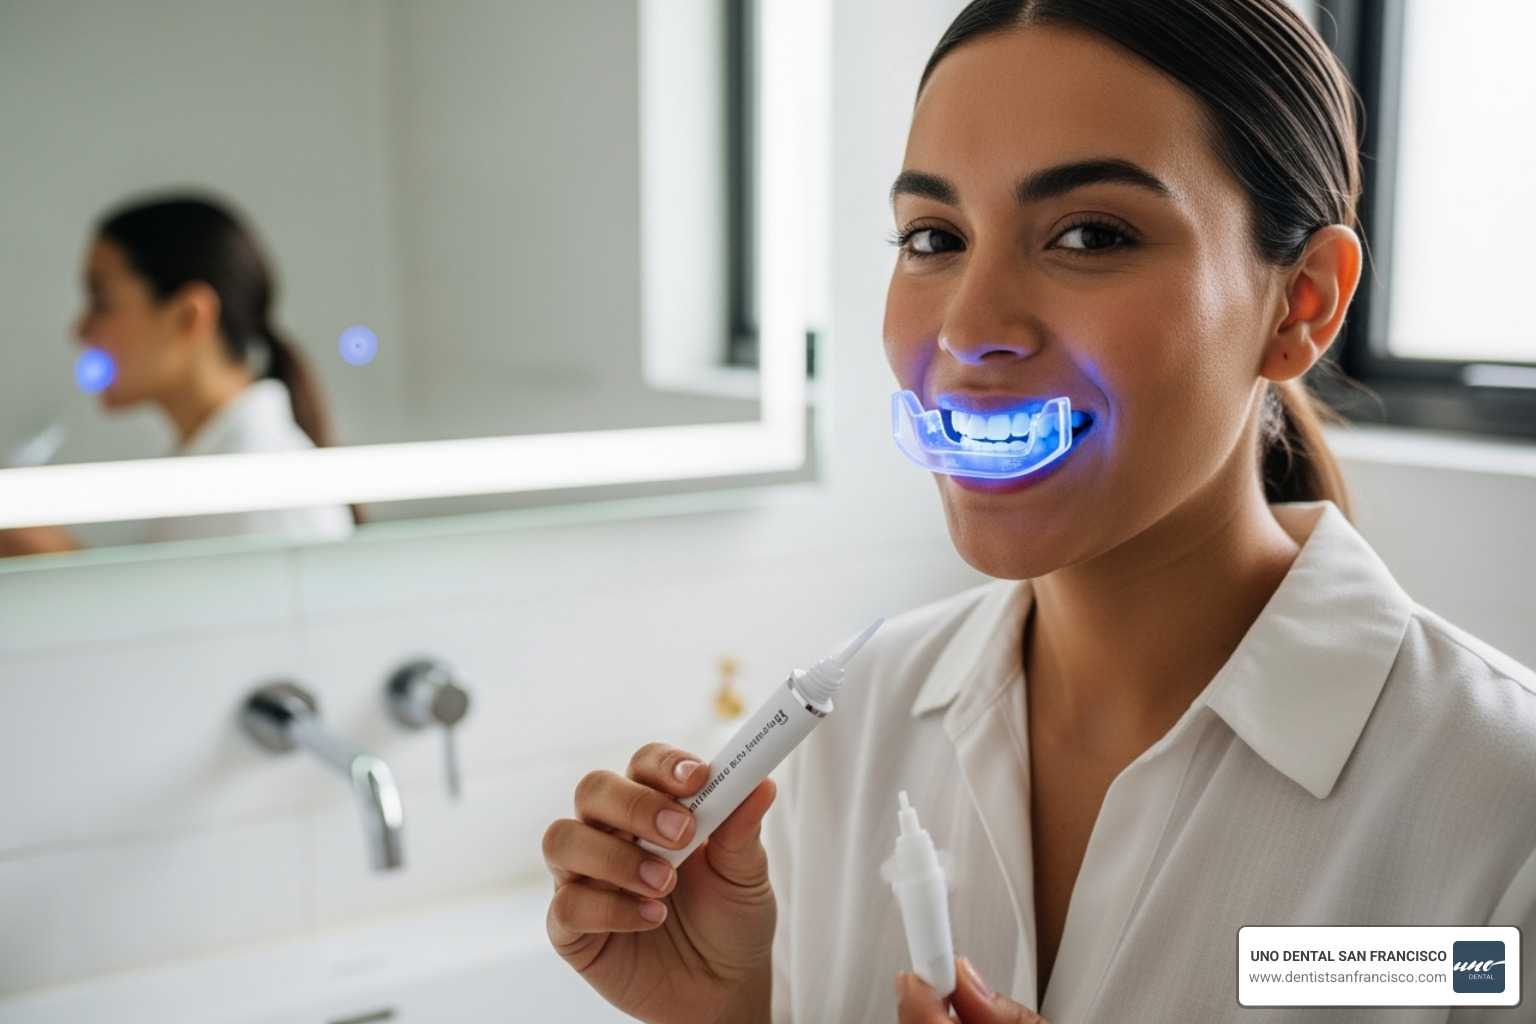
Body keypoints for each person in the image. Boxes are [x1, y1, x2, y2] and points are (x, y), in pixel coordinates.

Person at [541, 2, 1536, 1022]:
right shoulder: (851, 730)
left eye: (1090, 235)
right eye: (935, 237)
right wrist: (729, 1009)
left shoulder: (1504, 810)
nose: (970, 328)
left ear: (1303, 304)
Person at [0, 196, 353, 557]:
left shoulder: (272, 494)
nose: (80, 330)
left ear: (188, 316)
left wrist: (59, 563)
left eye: (101, 301)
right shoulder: (211, 477)